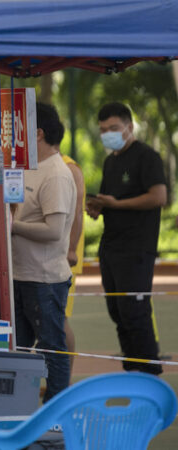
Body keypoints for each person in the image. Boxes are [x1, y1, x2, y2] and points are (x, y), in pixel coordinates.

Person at [86, 102, 167, 375]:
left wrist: (117, 205)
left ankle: (149, 375)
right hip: (111, 248)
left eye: (113, 128)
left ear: (129, 127)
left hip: (136, 249)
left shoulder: (147, 157)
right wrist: (98, 206)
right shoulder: (111, 161)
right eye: (103, 130)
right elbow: (111, 199)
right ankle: (132, 372)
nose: (107, 133)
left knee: (135, 313)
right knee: (118, 313)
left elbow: (159, 197)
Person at [11, 103, 76, 402]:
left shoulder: (57, 173)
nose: (12, 135)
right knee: (20, 349)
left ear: (37, 133)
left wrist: (14, 226)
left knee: (52, 348)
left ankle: (56, 413)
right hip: (21, 274)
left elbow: (53, 230)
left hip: (45, 278)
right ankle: (20, 409)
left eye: (17, 128)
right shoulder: (27, 167)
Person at [60, 131, 85, 373]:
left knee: (60, 318)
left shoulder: (70, 168)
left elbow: (77, 212)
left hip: (64, 258)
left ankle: (64, 379)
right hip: (44, 256)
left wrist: (70, 249)